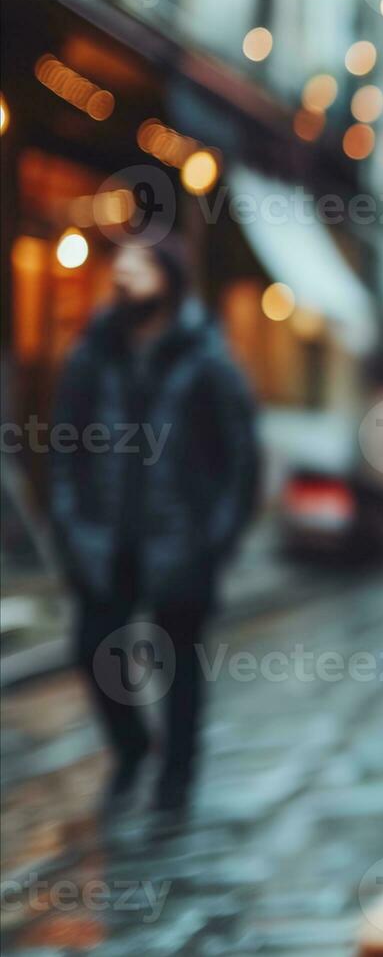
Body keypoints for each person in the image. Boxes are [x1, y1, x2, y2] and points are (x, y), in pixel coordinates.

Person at [48, 238, 259, 813]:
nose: (123, 278)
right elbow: (63, 446)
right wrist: (71, 524)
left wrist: (215, 538)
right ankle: (134, 746)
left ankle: (177, 779)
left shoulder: (208, 357)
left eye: (137, 269)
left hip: (181, 541)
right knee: (92, 647)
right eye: (119, 269)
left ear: (168, 278)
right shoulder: (92, 352)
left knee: (180, 665)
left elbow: (240, 458)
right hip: (106, 538)